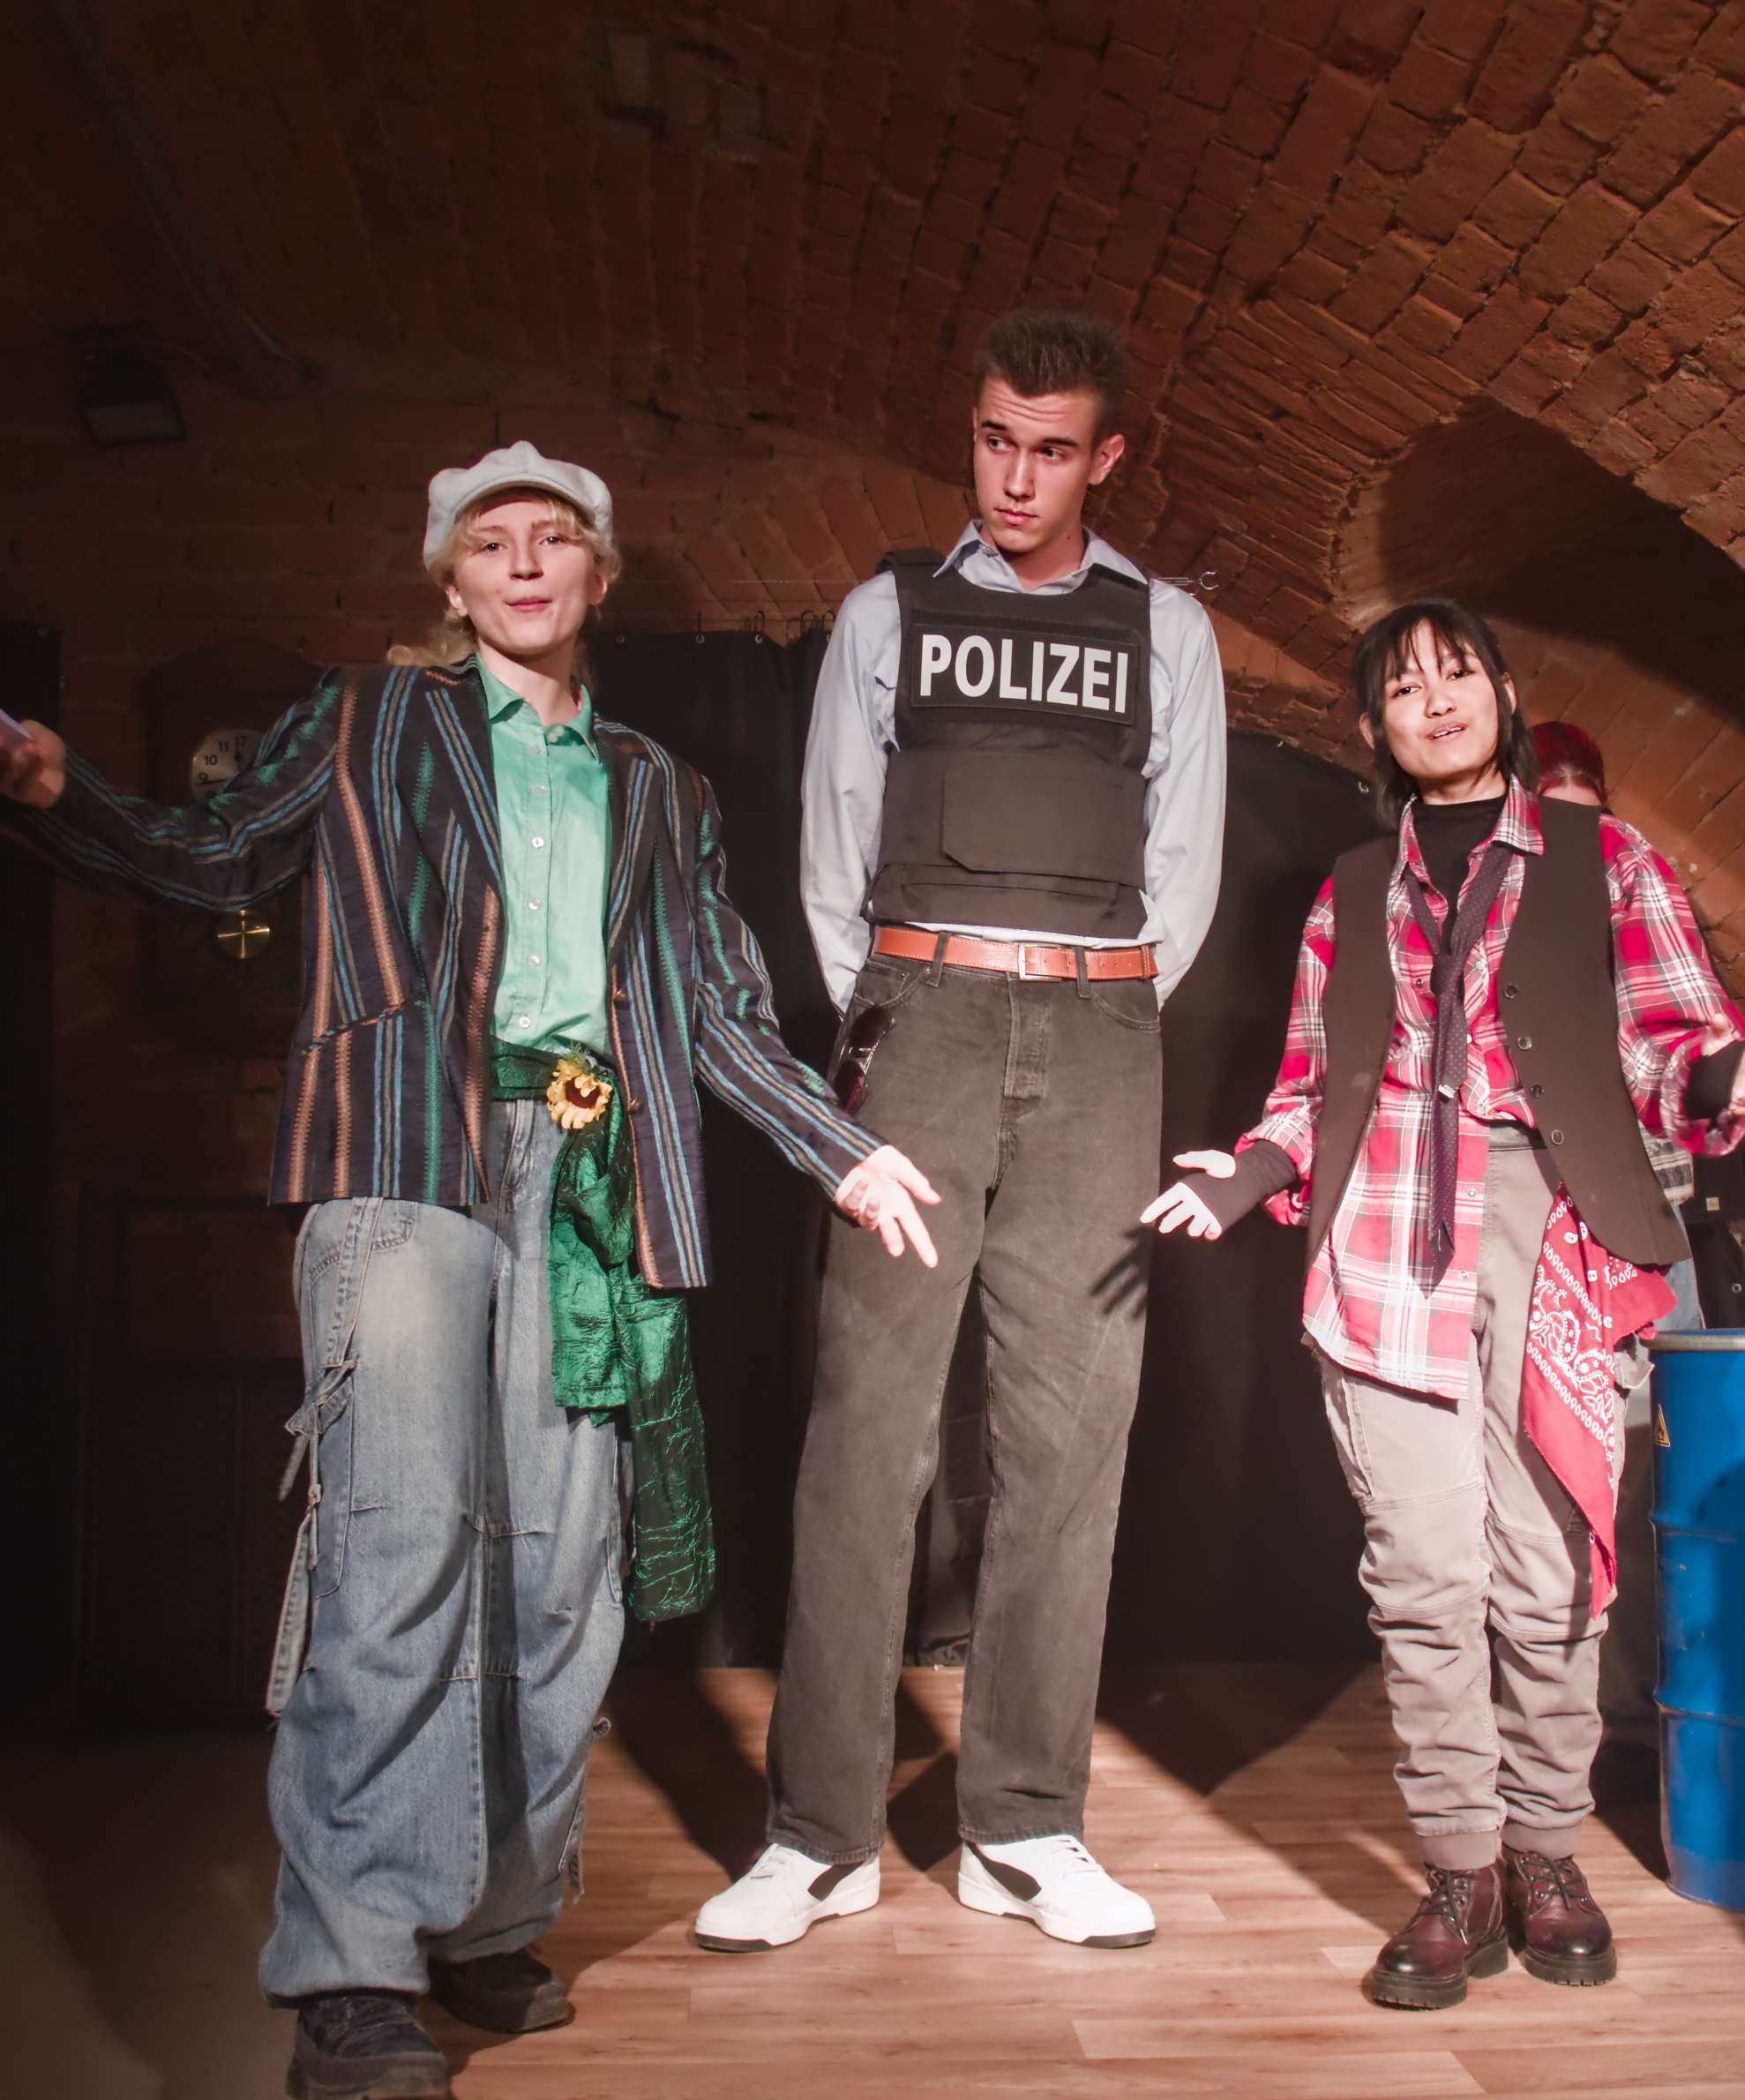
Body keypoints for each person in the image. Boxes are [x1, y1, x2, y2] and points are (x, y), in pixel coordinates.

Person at [0, 442, 939, 2100]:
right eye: (488, 541)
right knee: (399, 1552)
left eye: (552, 538)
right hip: (407, 1158)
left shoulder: (659, 785)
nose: (521, 562)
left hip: (589, 1184)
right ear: (448, 581)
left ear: (596, 575)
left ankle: (488, 1919)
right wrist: (62, 793)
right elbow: (217, 860)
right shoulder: (369, 721)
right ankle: (354, 1970)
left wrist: (840, 1152)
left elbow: (715, 1010)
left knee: (562, 1574)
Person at [695, 305, 1226, 1954]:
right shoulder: (885, 614)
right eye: (995, 438)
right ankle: (819, 1835)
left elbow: (1183, 865)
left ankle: (1024, 1827)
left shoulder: (1165, 630)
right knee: (868, 1424)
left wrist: (1089, 1003)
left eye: (1050, 449)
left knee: (1069, 1437)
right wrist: (896, 1011)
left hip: (1095, 1033)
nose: (1014, 476)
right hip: (915, 1017)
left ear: (1104, 456)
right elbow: (829, 853)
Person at [1146, 600, 1745, 2009]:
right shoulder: (1351, 889)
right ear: (1373, 727)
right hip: (1382, 1238)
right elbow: (1310, 1086)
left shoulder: (1606, 859)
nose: (1435, 700)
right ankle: (1462, 1872)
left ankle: (1546, 1852)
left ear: (1502, 694)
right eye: (1403, 686)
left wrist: (1726, 1078)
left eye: (1456, 673)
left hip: (1553, 1235)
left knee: (1546, 1577)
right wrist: (1247, 1174)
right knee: (1422, 1579)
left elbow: (1678, 1041)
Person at [1532, 720, 1704, 1803]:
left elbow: (1680, 1062)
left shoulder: (1633, 892)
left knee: (1650, 1485)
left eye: (1586, 818)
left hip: (1645, 1232)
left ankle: (1639, 1725)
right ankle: (1566, 1729)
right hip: (1543, 1233)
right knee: (1556, 1488)